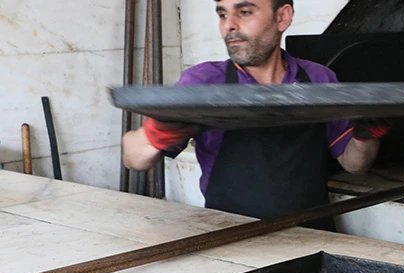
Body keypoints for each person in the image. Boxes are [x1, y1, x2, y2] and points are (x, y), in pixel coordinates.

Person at [121, 0, 390, 230]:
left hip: (312, 234)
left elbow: (355, 165)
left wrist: (365, 136)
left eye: (245, 12)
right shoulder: (203, 81)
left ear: (282, 17)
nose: (229, 25)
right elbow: (134, 158)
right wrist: (154, 135)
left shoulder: (319, 79)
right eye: (222, 14)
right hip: (231, 236)